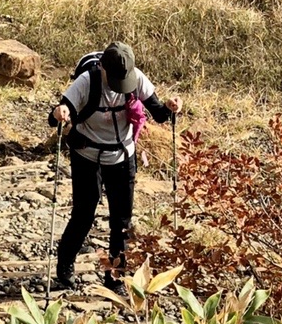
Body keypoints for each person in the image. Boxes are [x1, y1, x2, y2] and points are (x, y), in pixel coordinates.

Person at [48, 40, 182, 292]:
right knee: (83, 215)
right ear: (103, 68)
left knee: (122, 222)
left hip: (122, 157)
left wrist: (172, 106)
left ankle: (115, 277)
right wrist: (60, 112)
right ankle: (65, 266)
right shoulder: (87, 82)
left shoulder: (137, 79)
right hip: (87, 156)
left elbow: (161, 114)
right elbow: (53, 115)